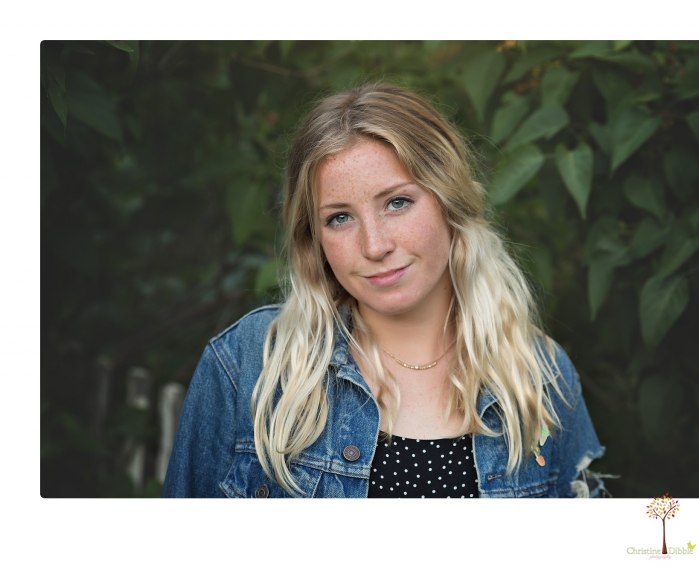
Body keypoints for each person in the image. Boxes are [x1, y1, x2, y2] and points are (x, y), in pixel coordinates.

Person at [162, 84, 606, 498]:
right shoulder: (248, 366)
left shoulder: (539, 377)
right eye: (340, 218)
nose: (375, 246)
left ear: (449, 201)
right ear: (313, 237)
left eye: (397, 202)